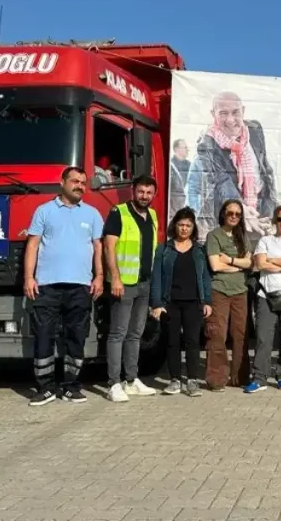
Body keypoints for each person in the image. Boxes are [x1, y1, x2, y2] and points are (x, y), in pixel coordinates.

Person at [23, 166, 104, 406]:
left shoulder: (92, 214)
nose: (80, 186)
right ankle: (45, 388)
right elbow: (33, 245)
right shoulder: (44, 211)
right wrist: (29, 277)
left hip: (80, 287)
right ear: (62, 182)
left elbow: (98, 247)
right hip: (47, 286)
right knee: (44, 337)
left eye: (83, 182)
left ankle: (71, 386)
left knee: (76, 338)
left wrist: (99, 276)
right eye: (75, 181)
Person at [185, 91, 279, 240]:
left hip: (257, 217)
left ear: (243, 111)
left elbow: (265, 171)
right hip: (228, 219)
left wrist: (270, 212)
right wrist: (241, 210)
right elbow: (222, 182)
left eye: (235, 112)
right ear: (213, 114)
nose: (230, 120)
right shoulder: (207, 145)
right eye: (223, 113)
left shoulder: (255, 130)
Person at [102, 176, 160, 402]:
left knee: (136, 334)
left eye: (149, 192)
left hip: (144, 283)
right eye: (141, 191)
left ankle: (131, 380)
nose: (144, 196)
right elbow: (109, 246)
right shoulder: (119, 213)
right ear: (133, 191)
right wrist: (114, 278)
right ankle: (114, 384)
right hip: (123, 284)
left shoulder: (152, 215)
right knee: (118, 333)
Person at [149, 207, 212, 397]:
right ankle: (175, 380)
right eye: (181, 225)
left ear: (193, 228)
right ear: (174, 226)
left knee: (193, 341)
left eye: (188, 226)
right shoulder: (164, 249)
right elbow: (157, 277)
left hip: (193, 302)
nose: (184, 229)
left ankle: (192, 381)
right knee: (172, 341)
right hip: (171, 303)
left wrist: (207, 301)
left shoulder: (199, 250)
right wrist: (156, 303)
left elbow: (206, 277)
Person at [245, 205, 281, 393]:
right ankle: (259, 377)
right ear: (274, 220)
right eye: (279, 219)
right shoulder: (265, 241)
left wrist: (273, 260)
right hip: (266, 295)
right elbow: (260, 263)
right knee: (263, 338)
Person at [204, 199, 253, 391]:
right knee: (217, 334)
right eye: (230, 213)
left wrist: (230, 261)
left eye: (238, 214)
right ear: (223, 213)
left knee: (241, 335)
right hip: (219, 291)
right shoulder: (214, 236)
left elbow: (250, 264)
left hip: (241, 291)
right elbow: (215, 265)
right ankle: (216, 379)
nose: (234, 217)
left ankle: (240, 377)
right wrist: (238, 265)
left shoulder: (243, 236)